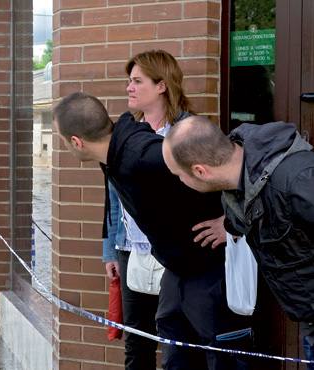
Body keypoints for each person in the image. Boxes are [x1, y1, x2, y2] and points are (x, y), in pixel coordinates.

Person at [53, 92, 250, 370]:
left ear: (76, 141)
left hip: (210, 271)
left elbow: (228, 164)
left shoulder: (144, 156)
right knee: (176, 359)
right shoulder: (115, 152)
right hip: (176, 271)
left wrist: (229, 221)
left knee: (224, 361)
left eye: (63, 141)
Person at [162, 115, 314, 369]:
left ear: (200, 170)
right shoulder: (238, 188)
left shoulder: (297, 178)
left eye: (179, 175)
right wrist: (230, 225)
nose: (180, 182)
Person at [102, 50, 199, 370]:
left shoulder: (189, 131)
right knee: (136, 342)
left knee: (177, 342)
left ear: (161, 85)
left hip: (175, 253)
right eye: (128, 81)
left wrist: (224, 222)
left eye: (137, 81)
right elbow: (113, 196)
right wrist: (111, 250)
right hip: (131, 249)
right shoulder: (126, 132)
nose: (128, 87)